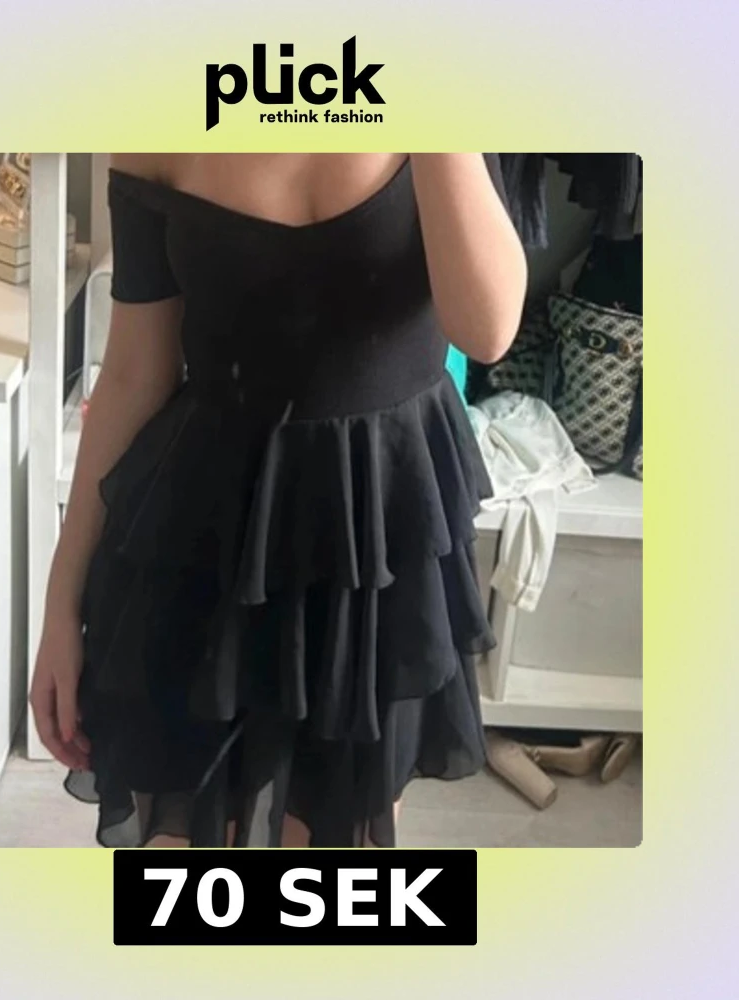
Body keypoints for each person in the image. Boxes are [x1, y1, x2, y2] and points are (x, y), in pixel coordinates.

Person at [30, 152, 528, 848]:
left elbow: (487, 330)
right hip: (209, 535)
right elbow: (134, 375)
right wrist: (60, 606)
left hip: (376, 548)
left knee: (339, 845)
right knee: (187, 847)